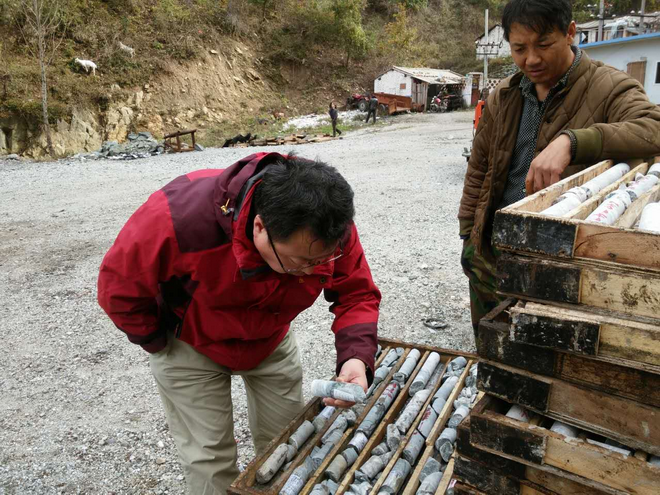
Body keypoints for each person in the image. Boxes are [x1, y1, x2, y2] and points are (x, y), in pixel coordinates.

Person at [97, 152, 381, 494]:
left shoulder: (329, 226)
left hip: (270, 339)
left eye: (320, 262)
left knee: (288, 444)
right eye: (299, 263)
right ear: (260, 227)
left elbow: (356, 293)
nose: (311, 270)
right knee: (209, 460)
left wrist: (356, 358)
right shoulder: (174, 218)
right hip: (192, 343)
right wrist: (158, 340)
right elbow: (118, 289)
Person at [458, 0, 660, 337]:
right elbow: (479, 169)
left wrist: (574, 141)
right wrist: (468, 235)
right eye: (519, 48)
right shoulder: (504, 96)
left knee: (541, 345)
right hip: (492, 252)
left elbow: (653, 128)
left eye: (543, 44)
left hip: (560, 260)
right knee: (491, 340)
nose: (531, 59)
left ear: (569, 33)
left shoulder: (609, 87)